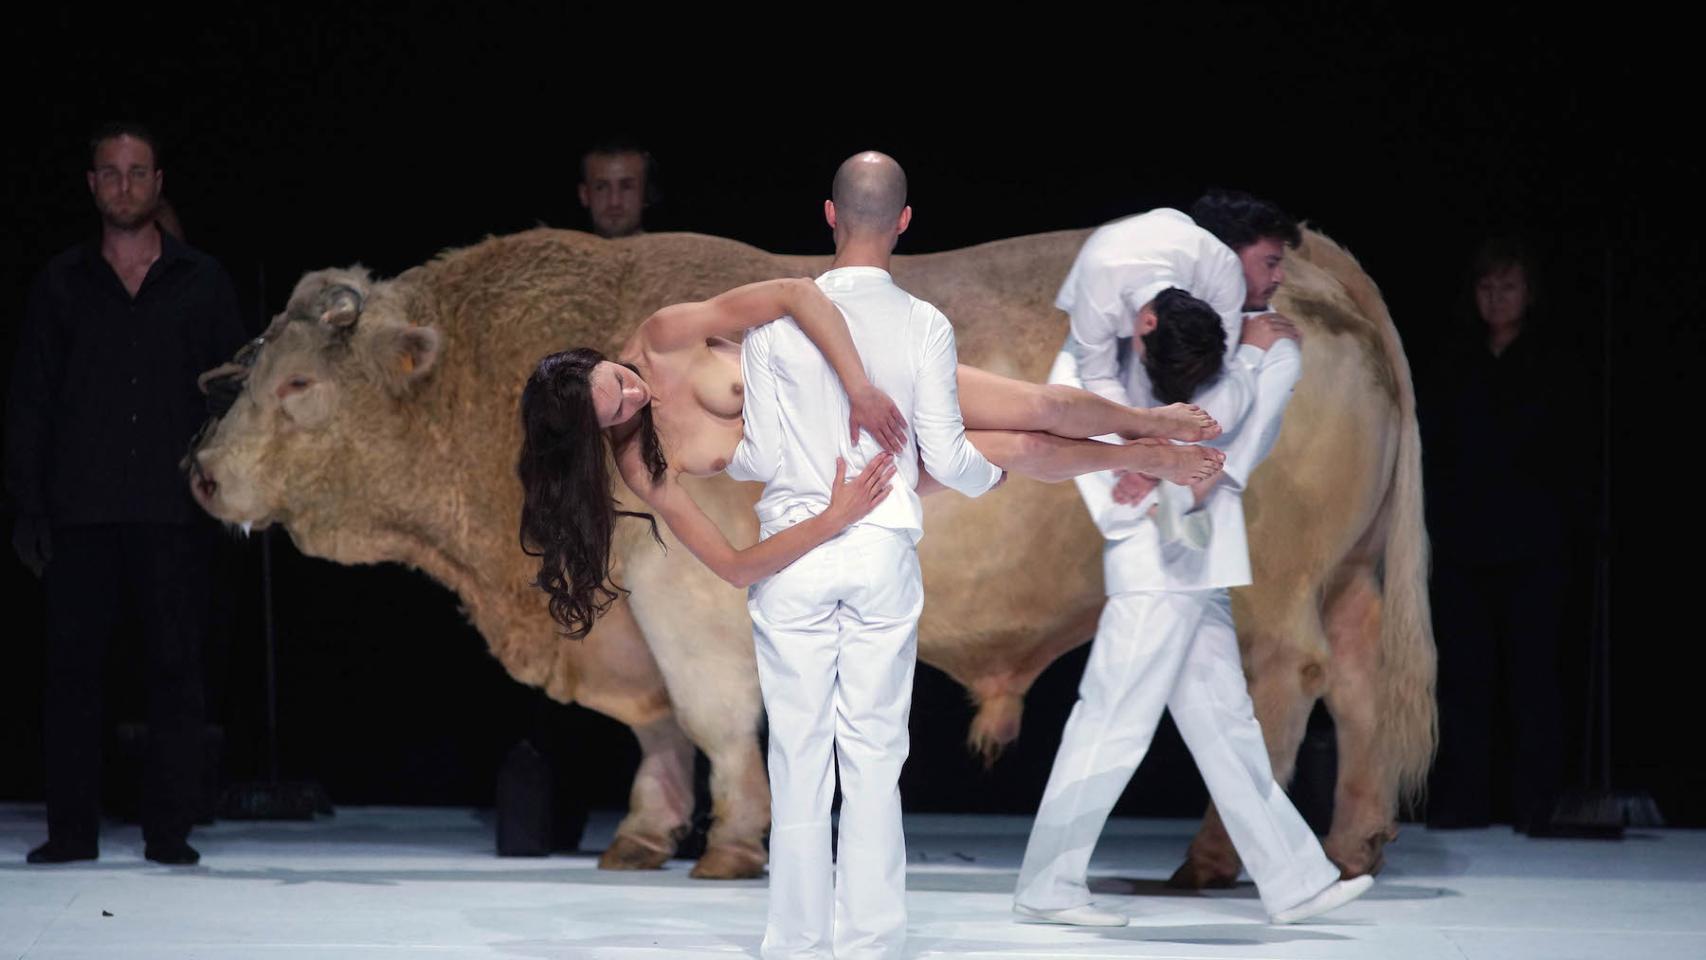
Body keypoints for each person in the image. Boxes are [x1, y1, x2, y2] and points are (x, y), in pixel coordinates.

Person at [518, 167, 1228, 640]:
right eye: (617, 410)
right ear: (592, 435)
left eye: (618, 379)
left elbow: (795, 293)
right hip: (843, 466)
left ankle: (1145, 420)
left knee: (1038, 405)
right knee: (1019, 448)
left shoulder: (663, 337)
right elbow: (734, 567)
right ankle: (1141, 458)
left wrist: (860, 385)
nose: (634, 394)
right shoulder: (642, 464)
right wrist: (833, 517)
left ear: (598, 358)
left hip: (860, 381)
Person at [6, 122, 246, 866]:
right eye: (109, 172)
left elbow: (233, 396)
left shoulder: (202, 280)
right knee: (72, 676)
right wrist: (28, 505)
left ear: (157, 182)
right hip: (81, 508)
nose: (123, 185)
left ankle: (169, 830)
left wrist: (229, 486)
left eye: (137, 172)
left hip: (173, 509)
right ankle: (71, 830)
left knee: (177, 671)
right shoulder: (61, 282)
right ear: (91, 185)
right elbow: (31, 400)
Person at [1422, 237, 1575, 833]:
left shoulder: (1553, 360)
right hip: (1463, 540)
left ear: (1529, 293)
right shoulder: (1455, 358)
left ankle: (1535, 801)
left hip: (1534, 541)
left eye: (1508, 286)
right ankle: (1465, 799)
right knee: (1464, 676)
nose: (1496, 298)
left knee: (1533, 676)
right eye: (1486, 287)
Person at [578, 136, 654, 239]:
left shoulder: (672, 249)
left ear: (646, 193)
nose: (614, 202)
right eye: (601, 188)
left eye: (627, 187)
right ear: (584, 195)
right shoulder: (560, 249)